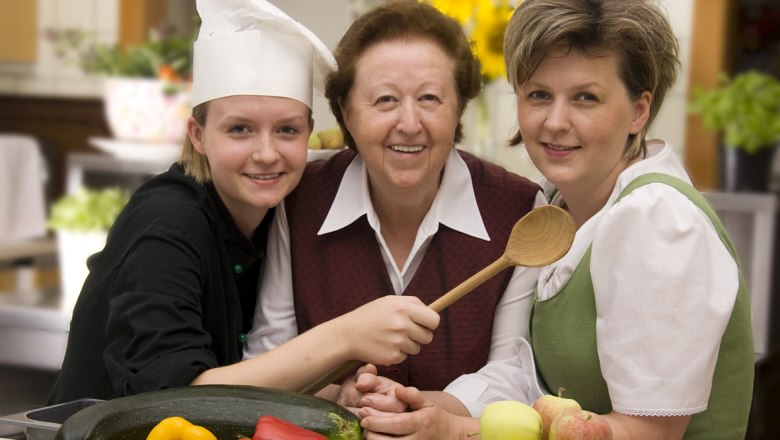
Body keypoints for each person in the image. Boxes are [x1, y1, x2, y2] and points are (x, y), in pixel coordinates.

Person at [352, 0, 756, 439]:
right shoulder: (558, 207)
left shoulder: (656, 219)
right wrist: (425, 404)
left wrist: (456, 431)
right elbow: (529, 383)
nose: (555, 122)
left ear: (639, 111)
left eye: (586, 97)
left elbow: (648, 433)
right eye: (539, 95)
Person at [47, 0, 440, 404]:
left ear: (308, 133)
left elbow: (244, 376)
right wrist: (346, 337)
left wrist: (336, 394)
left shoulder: (278, 214)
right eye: (240, 129)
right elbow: (174, 398)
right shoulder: (167, 225)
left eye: (286, 129)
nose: (266, 153)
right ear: (198, 135)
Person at [243, 0, 541, 403]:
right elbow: (269, 354)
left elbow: (513, 372)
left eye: (431, 99)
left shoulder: (519, 210)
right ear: (346, 113)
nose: (409, 123)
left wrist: (429, 409)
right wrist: (343, 396)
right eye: (385, 100)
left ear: (458, 109)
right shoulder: (296, 202)